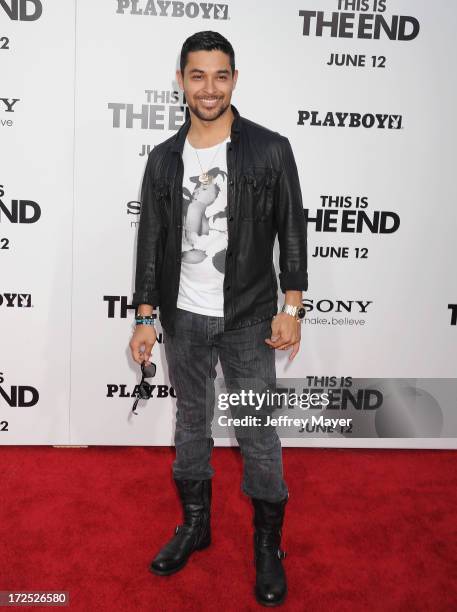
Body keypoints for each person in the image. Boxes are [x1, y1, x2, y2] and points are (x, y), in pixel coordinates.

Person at [129, 30, 308, 607]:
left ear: (235, 78)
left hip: (250, 318)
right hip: (183, 320)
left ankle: (266, 546)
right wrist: (145, 316)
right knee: (189, 426)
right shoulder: (163, 159)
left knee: (256, 433)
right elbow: (153, 241)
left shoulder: (270, 148)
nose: (210, 88)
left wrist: (292, 308)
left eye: (221, 75)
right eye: (198, 75)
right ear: (180, 80)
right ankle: (197, 526)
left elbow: (292, 232)